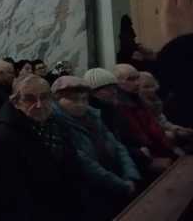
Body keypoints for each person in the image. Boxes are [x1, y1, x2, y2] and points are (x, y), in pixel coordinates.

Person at [0, 75, 84, 220]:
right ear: (16, 102)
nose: (39, 105)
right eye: (30, 99)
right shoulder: (4, 137)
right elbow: (16, 195)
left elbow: (73, 164)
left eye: (45, 97)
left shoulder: (56, 122)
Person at [52, 76, 140, 220]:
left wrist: (130, 175)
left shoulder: (93, 116)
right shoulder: (57, 124)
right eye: (73, 99)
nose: (80, 104)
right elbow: (85, 164)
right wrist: (122, 185)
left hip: (117, 182)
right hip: (89, 194)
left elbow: (118, 146)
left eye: (84, 99)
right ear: (57, 100)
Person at [113, 64, 177, 176]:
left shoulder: (137, 99)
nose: (137, 83)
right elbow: (139, 138)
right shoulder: (121, 106)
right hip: (146, 158)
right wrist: (153, 159)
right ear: (117, 83)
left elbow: (155, 128)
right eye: (131, 79)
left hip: (159, 152)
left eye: (137, 78)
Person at [138, 72, 193, 143]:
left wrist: (176, 128)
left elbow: (161, 119)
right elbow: (148, 125)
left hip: (159, 128)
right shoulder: (138, 104)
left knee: (186, 132)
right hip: (147, 133)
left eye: (152, 86)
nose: (151, 90)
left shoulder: (156, 100)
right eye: (146, 87)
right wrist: (173, 131)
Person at [84, 68, 122, 136]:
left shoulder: (112, 108)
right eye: (108, 89)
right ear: (93, 92)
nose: (114, 92)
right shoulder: (90, 115)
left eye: (115, 88)